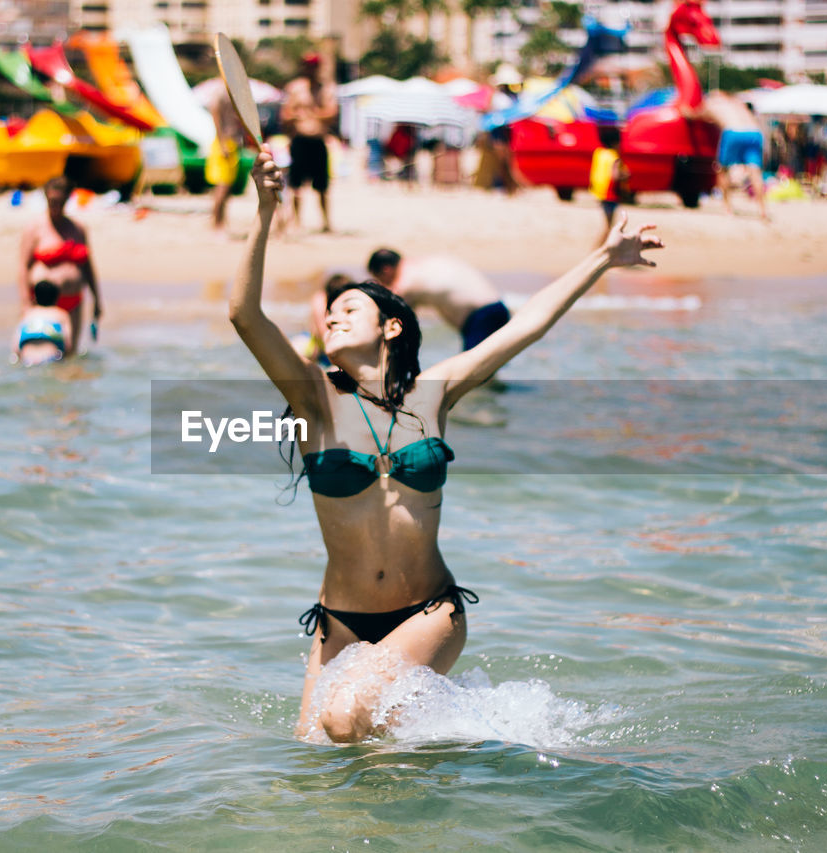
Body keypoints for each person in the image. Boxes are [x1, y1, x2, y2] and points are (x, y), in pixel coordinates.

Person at [230, 148, 662, 743]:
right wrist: (265, 208)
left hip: (429, 610)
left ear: (391, 326)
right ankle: (431, 738)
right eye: (328, 313)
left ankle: (415, 724)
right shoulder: (313, 399)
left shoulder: (433, 394)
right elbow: (244, 315)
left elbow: (526, 326)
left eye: (349, 308)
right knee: (317, 763)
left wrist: (603, 259)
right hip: (340, 623)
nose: (332, 318)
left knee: (343, 717)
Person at [366, 248, 510, 352]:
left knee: (474, 374)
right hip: (497, 308)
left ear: (386, 269)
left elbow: (394, 310)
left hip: (482, 317)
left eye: (380, 279)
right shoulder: (424, 263)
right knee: (487, 367)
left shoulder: (407, 279)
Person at [19, 176, 103, 354]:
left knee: (70, 352)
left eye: (59, 201)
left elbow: (88, 267)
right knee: (44, 351)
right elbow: (23, 267)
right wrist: (25, 303)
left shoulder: (78, 228)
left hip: (73, 300)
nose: (55, 206)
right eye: (51, 201)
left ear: (67, 200)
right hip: (43, 304)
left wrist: (97, 300)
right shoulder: (35, 227)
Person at [279, 52, 337, 232]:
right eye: (307, 66)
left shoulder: (327, 89)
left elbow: (332, 114)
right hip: (300, 140)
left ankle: (326, 223)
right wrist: (299, 115)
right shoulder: (295, 88)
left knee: (322, 186)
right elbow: (285, 115)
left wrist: (310, 113)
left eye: (313, 66)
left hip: (318, 140)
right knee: (296, 185)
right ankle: (296, 221)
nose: (310, 69)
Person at [701, 91, 769, 221]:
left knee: (723, 169)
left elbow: (697, 115)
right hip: (754, 133)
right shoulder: (737, 102)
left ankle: (727, 208)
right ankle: (762, 210)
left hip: (733, 131)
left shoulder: (712, 102)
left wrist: (686, 112)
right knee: (755, 172)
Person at [206, 83, 244, 231]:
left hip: (231, 142)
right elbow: (215, 114)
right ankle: (216, 222)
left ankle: (221, 220)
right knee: (222, 186)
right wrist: (222, 143)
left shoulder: (232, 90)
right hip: (225, 142)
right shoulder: (221, 91)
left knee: (227, 186)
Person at [14, 280, 73, 367]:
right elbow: (68, 346)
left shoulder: (27, 314)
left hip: (27, 359)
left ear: (35, 297)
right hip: (51, 357)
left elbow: (16, 348)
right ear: (56, 298)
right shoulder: (61, 314)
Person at [589, 124, 630, 245]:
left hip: (599, 193)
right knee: (609, 227)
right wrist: (626, 175)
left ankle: (603, 249)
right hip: (610, 194)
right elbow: (615, 175)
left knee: (609, 225)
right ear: (615, 142)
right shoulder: (614, 157)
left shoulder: (599, 153)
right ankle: (598, 250)